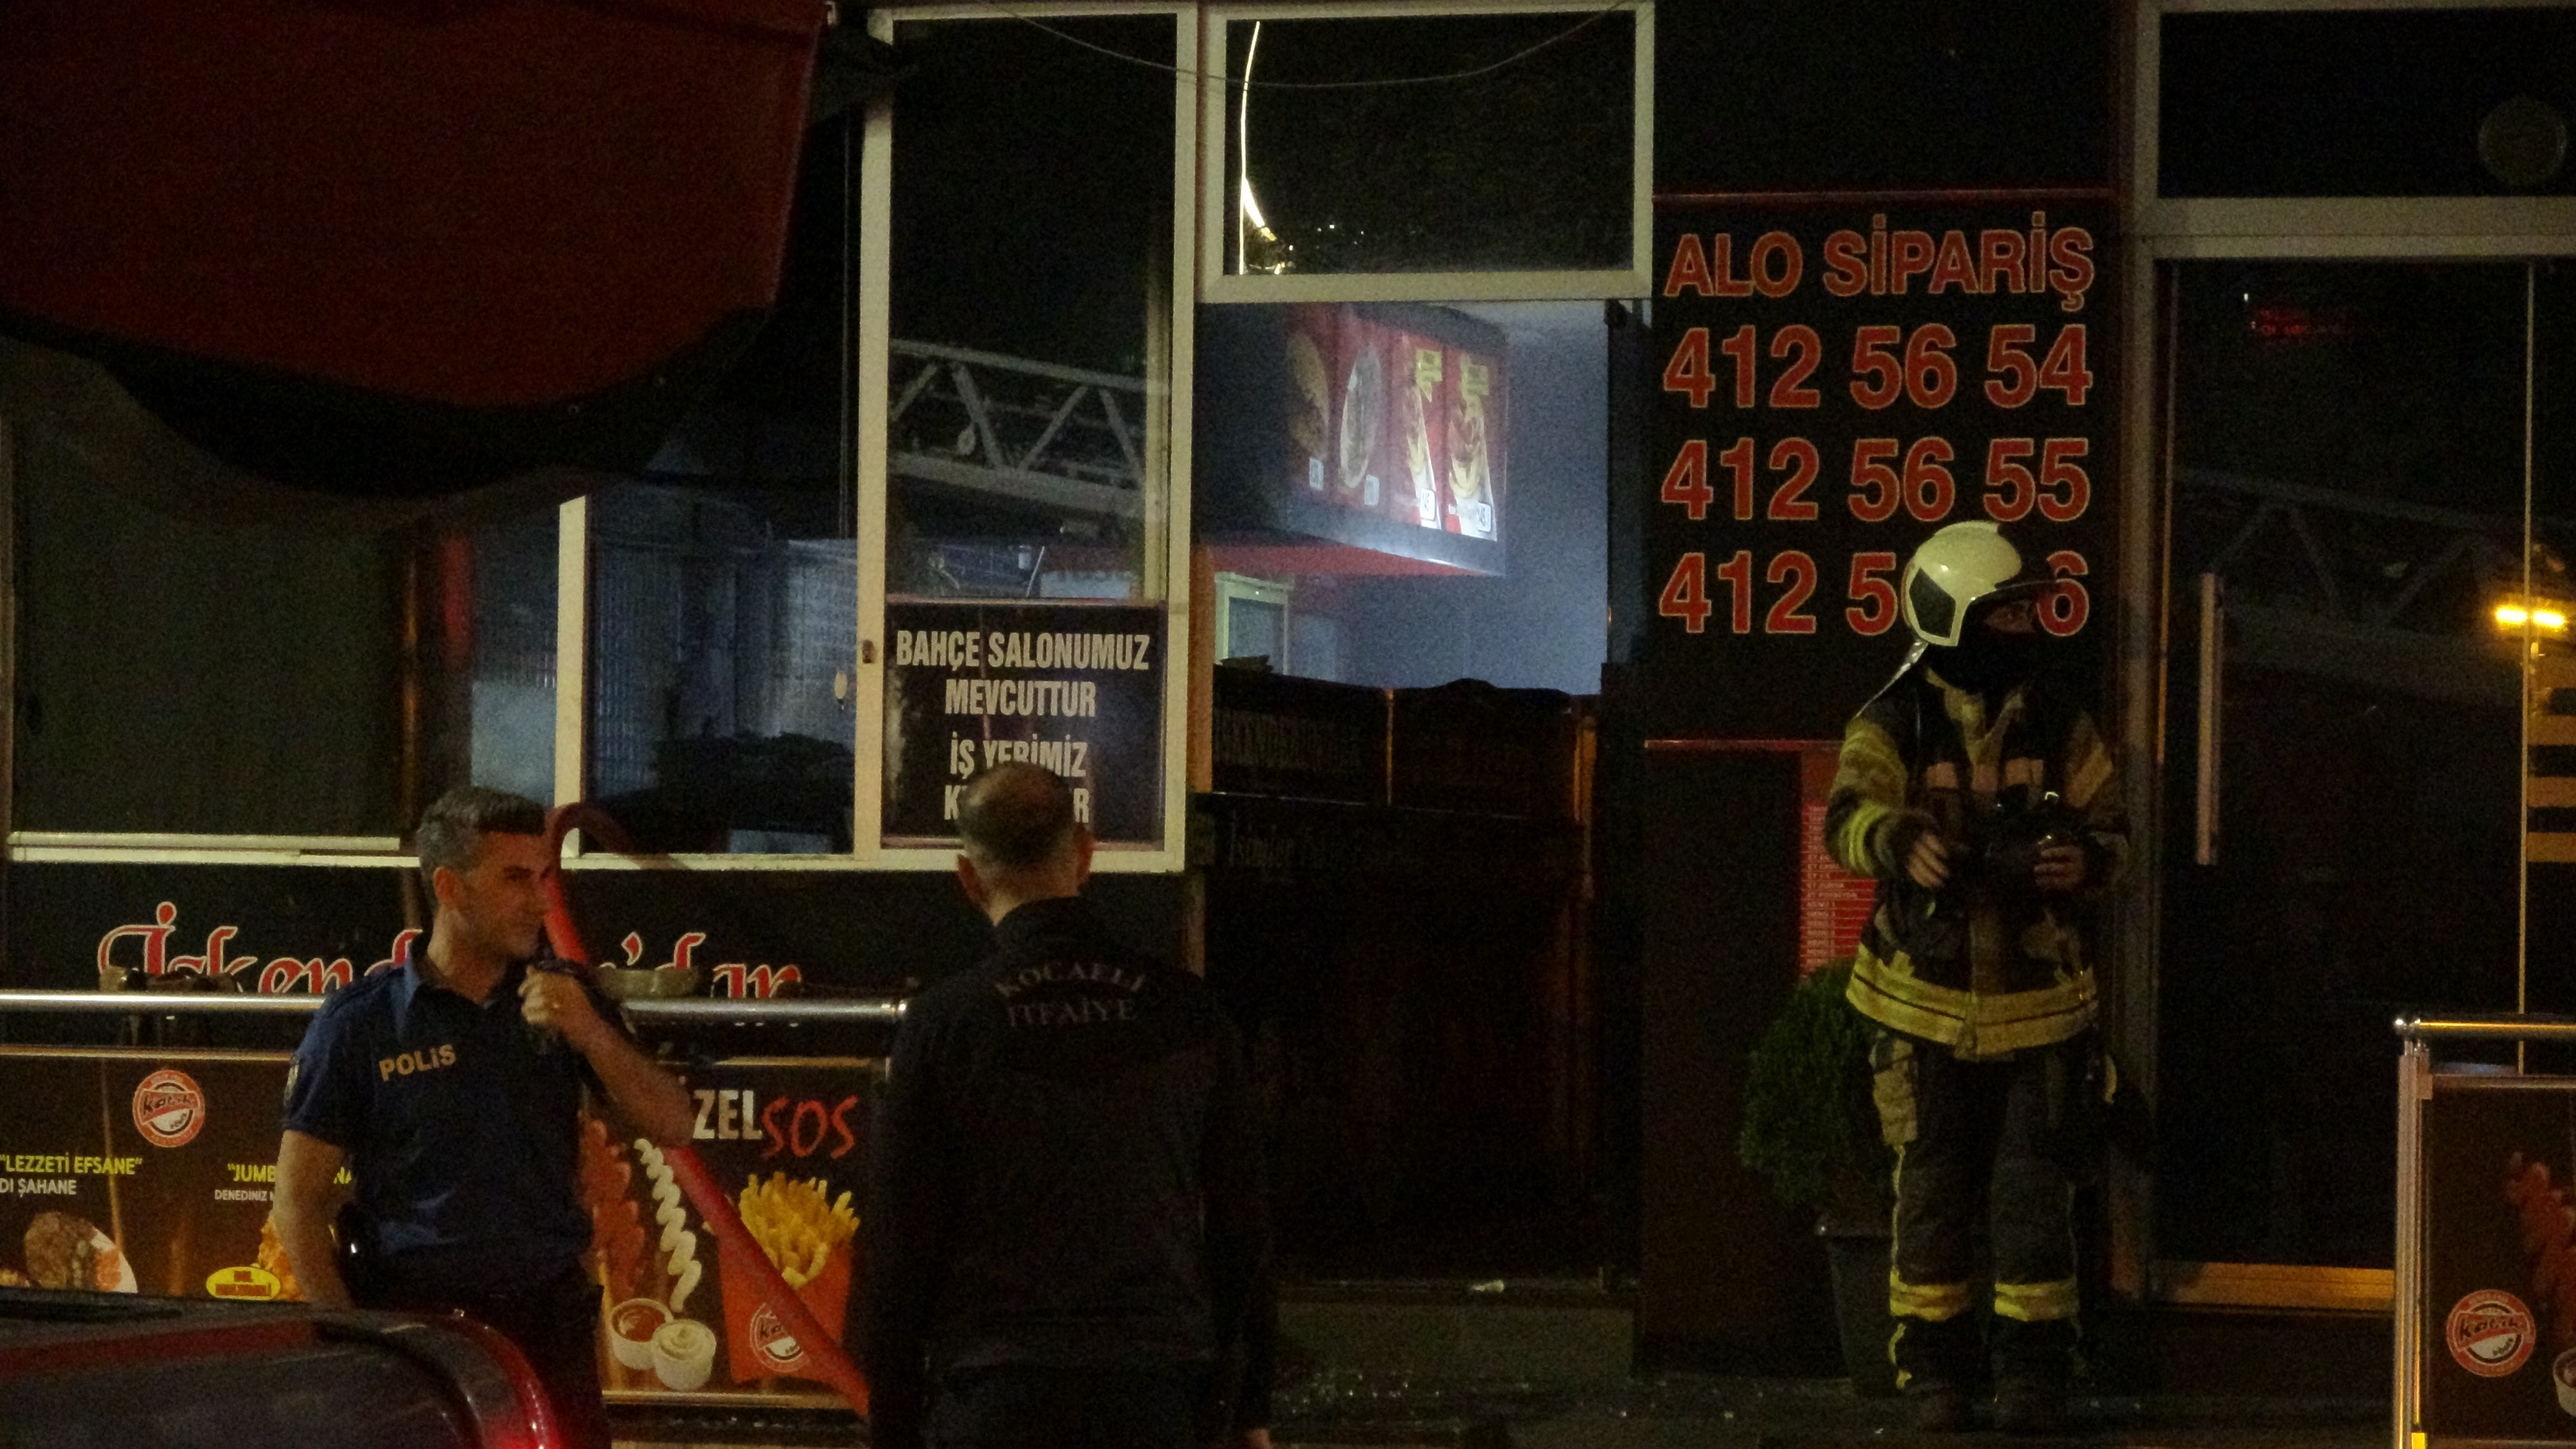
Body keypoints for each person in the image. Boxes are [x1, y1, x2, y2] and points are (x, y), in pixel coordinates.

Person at [863, 762, 1276, 1449]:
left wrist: (895, 1427)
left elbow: (900, 1247)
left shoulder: (943, 1026)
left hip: (993, 1392)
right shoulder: (1189, 1014)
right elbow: (1243, 1222)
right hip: (1154, 1392)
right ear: (1085, 852)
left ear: (968, 877)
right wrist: (1247, 1408)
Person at [270, 786, 694, 1449]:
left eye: (544, 878)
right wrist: (351, 1342)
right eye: (515, 879)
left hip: (547, 1331)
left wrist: (592, 1034)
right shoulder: (363, 1023)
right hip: (421, 1330)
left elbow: (674, 1122)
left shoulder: (564, 1000)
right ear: (450, 887)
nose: (540, 900)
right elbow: (297, 1200)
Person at [1823, 521, 2125, 1434]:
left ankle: (2034, 1376)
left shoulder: (2058, 718)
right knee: (1933, 1195)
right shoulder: (1895, 717)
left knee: (2034, 1196)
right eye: (2006, 613)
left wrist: (2087, 859)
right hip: (1924, 1011)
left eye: (2030, 610)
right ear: (1952, 618)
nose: (2026, 628)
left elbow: (2113, 829)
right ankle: (1935, 1379)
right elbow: (1846, 816)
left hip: (2039, 1010)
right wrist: (1899, 839)